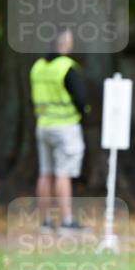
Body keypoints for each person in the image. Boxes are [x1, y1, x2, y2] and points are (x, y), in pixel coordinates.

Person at [29, 28, 87, 231]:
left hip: (43, 126)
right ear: (62, 43)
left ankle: (45, 221)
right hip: (65, 127)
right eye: (69, 40)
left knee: (45, 173)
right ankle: (67, 221)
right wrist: (84, 113)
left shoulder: (37, 67)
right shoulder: (66, 67)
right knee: (64, 173)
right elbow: (80, 99)